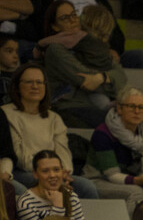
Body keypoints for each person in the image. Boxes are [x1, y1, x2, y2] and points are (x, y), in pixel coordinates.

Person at [2, 62, 99, 197]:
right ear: (17, 87)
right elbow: (20, 158)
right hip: (23, 171)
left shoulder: (54, 118)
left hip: (52, 172)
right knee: (31, 187)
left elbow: (63, 152)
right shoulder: (6, 114)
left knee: (86, 187)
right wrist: (49, 173)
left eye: (39, 82)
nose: (35, 86)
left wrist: (62, 173)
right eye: (29, 82)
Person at [89, 86, 143, 212]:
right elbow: (111, 175)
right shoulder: (103, 133)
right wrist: (141, 180)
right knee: (136, 193)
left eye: (141, 107)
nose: (137, 111)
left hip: (132, 181)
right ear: (120, 108)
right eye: (131, 106)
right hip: (99, 180)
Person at [39, 2, 125, 129]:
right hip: (71, 106)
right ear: (55, 26)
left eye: (74, 14)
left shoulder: (90, 44)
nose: (72, 20)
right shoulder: (55, 49)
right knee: (118, 122)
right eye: (65, 18)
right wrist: (108, 79)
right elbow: (85, 80)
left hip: (95, 104)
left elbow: (122, 76)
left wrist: (101, 78)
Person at [15, 150, 87, 220]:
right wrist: (58, 207)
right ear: (35, 174)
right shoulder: (26, 202)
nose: (52, 175)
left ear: (62, 171)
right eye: (45, 171)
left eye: (56, 170)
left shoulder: (71, 196)